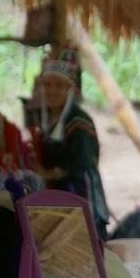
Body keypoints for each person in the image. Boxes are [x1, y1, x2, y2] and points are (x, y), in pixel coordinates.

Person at [28, 49, 110, 239]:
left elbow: (82, 160)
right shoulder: (47, 119)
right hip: (61, 193)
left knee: (83, 244)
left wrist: (47, 173)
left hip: (82, 193)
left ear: (69, 89)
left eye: (58, 85)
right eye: (47, 85)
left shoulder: (79, 121)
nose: (51, 90)